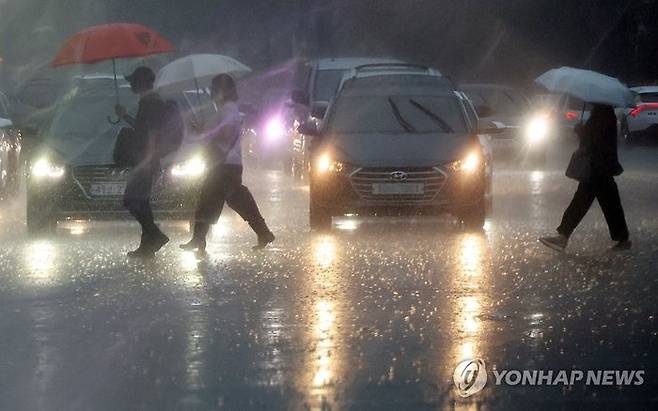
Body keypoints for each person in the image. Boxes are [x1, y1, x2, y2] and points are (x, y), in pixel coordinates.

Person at [180, 74, 275, 254]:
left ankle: (199, 239)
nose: (212, 93)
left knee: (215, 197)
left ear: (222, 91)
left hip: (224, 164)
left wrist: (207, 131)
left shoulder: (228, 110)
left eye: (215, 89)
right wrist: (206, 130)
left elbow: (226, 133)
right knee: (221, 198)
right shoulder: (226, 110)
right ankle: (199, 239)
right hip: (226, 163)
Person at [540, 103, 631, 252]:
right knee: (607, 201)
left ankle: (563, 236)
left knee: (583, 200)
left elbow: (596, 139)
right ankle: (622, 238)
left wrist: (581, 131)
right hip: (601, 165)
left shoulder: (602, 114)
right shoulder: (604, 112)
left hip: (598, 166)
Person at [115, 66, 170, 258]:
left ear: (140, 83)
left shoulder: (150, 103)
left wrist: (146, 159)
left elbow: (152, 134)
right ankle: (147, 245)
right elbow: (141, 129)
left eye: (132, 81)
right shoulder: (148, 101)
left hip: (146, 160)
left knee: (131, 199)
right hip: (146, 159)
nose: (130, 85)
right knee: (142, 201)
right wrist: (125, 116)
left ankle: (155, 235)